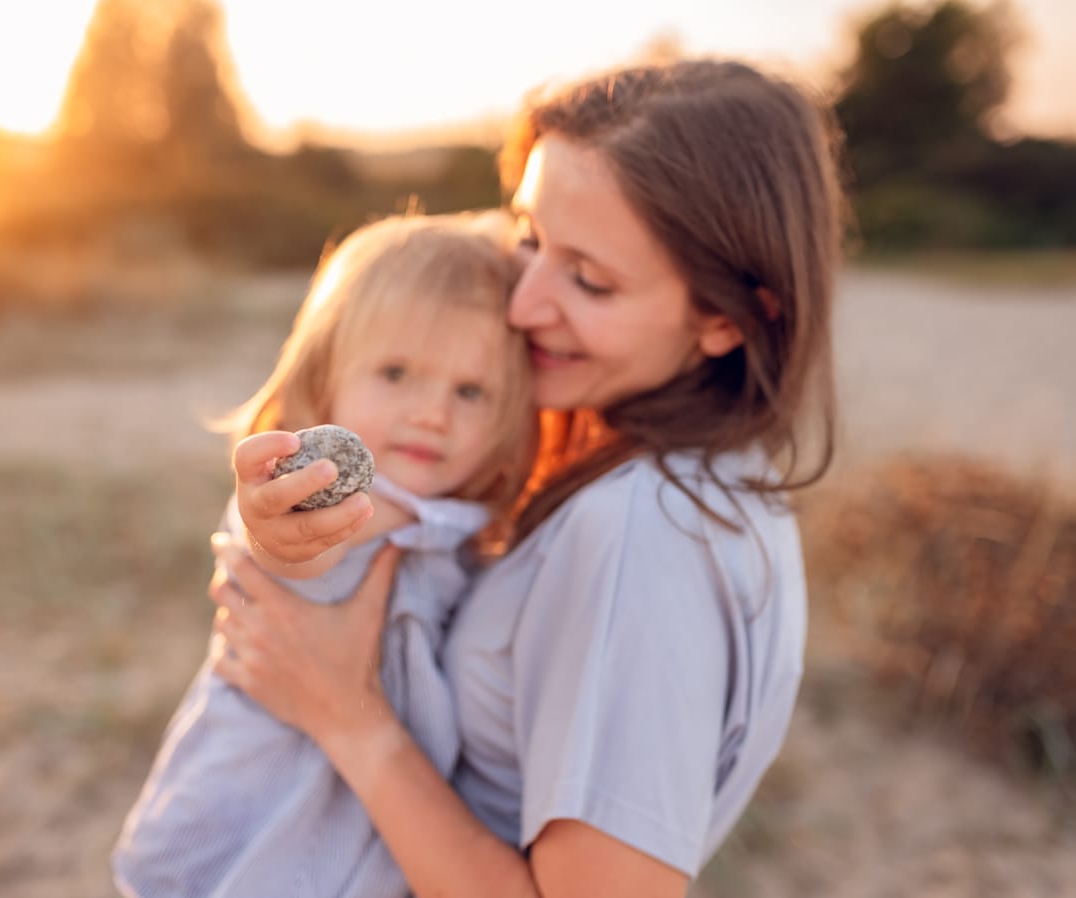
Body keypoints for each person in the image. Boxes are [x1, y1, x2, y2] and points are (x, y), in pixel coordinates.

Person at [209, 58, 842, 898]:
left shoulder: (642, 535)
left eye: (590, 280)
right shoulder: (695, 467)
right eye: (531, 238)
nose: (523, 302)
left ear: (730, 317)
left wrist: (346, 716)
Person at [112, 212, 538, 898]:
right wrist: (279, 527)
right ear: (322, 380)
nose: (433, 413)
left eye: (470, 391)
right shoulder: (333, 501)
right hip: (249, 839)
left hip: (371, 849)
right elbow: (288, 557)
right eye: (396, 373)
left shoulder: (471, 530)